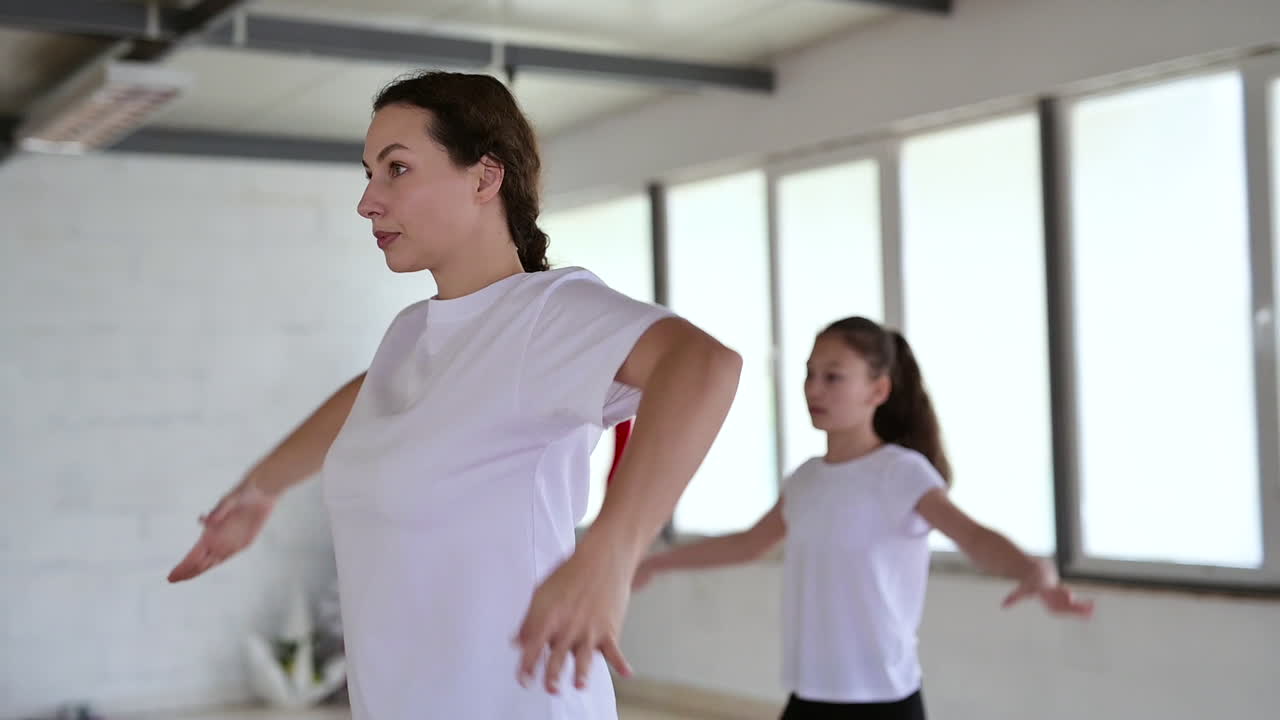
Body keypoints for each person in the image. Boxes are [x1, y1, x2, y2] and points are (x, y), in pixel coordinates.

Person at [167, 70, 742, 719]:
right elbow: (371, 397)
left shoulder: (549, 313)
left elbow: (704, 366)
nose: (369, 201)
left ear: (484, 177)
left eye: (397, 170)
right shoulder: (414, 334)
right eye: (368, 174)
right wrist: (262, 486)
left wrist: (611, 551)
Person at [633, 316, 1092, 720]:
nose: (813, 389)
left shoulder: (901, 472)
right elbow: (748, 543)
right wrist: (650, 562)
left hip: (883, 700)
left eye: (833, 377)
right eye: (809, 374)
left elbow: (971, 535)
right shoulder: (806, 480)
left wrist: (1033, 570)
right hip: (809, 695)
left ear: (879, 389)